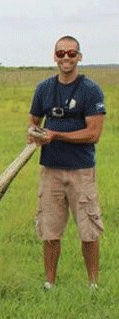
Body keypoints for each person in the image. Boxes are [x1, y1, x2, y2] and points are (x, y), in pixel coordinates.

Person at [27, 36, 106, 290]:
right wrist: (34, 134)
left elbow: (93, 133)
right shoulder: (43, 89)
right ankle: (49, 282)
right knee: (49, 230)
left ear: (80, 57)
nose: (66, 58)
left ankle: (93, 283)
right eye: (61, 53)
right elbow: (33, 123)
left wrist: (56, 135)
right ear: (54, 56)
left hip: (81, 171)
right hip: (50, 170)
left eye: (71, 53)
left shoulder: (91, 90)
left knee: (89, 230)